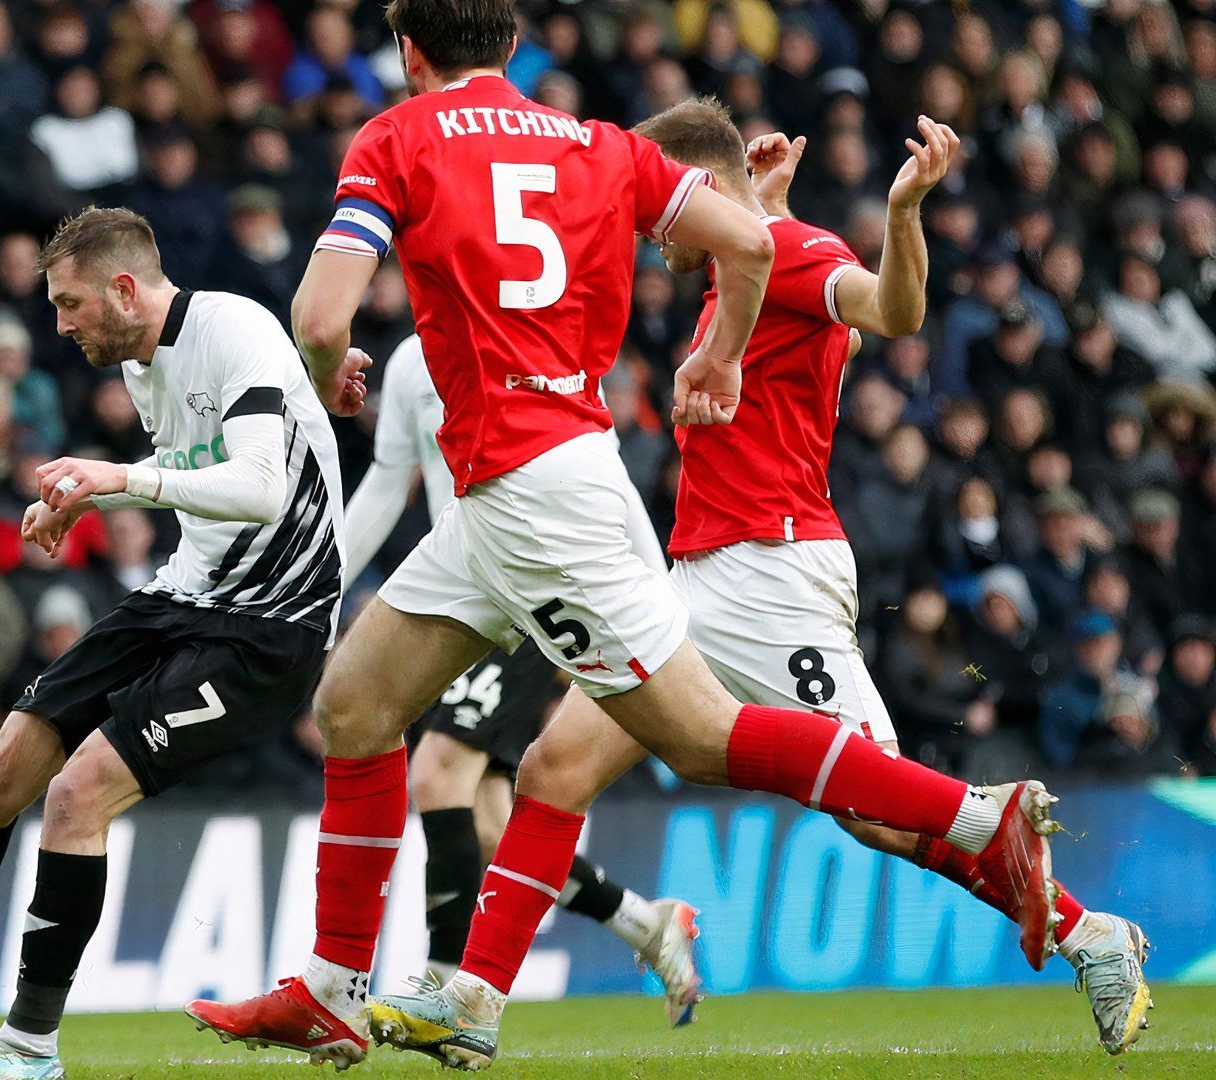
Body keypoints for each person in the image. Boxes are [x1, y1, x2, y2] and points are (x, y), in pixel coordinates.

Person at [189, 4, 1064, 1070]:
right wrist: (721, 357)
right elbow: (749, 239)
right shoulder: (599, 144)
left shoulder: (395, 139)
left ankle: (977, 814)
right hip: (528, 476)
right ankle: (333, 988)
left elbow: (322, 321)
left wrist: (332, 384)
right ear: (512, 48)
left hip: (532, 495)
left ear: (410, 53)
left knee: (695, 735)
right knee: (357, 704)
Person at [429, 99, 1137, 1054]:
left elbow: (896, 308)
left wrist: (901, 213)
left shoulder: (792, 251)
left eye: (653, 206)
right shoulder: (742, 263)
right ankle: (475, 1003)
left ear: (688, 188)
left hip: (773, 569)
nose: (645, 229)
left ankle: (1088, 931)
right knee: (554, 767)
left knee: (880, 819)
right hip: (695, 579)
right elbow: (751, 265)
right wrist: (749, 213)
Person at [0, 207, 344, 1080]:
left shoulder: (233, 327)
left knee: (75, 795)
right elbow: (197, 481)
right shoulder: (139, 363)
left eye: (70, 303)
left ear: (125, 289)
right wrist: (93, 499)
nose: (61, 325)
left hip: (271, 622)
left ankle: (29, 1049)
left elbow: (260, 487)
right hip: (183, 594)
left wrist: (113, 480)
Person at [340, 332, 702, 1018]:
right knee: (485, 823)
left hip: (539, 582)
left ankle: (439, 980)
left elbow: (611, 473)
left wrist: (659, 597)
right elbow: (389, 480)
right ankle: (645, 923)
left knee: (435, 771)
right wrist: (328, 595)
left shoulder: (533, 335)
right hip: (460, 595)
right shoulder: (415, 360)